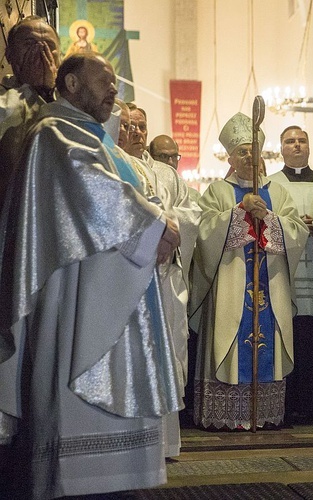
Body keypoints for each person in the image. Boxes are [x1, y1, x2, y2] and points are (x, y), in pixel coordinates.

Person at [0, 52, 182, 499]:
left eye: (116, 82)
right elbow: (96, 192)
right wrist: (157, 223)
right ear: (72, 84)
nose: (114, 90)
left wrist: (156, 225)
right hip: (76, 300)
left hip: (111, 294)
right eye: (105, 81)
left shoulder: (92, 138)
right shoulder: (53, 134)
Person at [190, 112, 308, 430]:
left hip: (270, 283)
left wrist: (269, 217)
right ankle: (228, 415)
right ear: (230, 157)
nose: (248, 157)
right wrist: (239, 212)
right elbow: (204, 232)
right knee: (230, 334)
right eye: (241, 151)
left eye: (253, 151)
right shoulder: (217, 191)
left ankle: (264, 414)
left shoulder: (278, 192)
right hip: (230, 284)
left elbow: (297, 230)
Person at [122, 102, 201, 457]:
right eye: (128, 126)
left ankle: (167, 443)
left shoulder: (167, 175)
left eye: (141, 126)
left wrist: (169, 228)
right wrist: (157, 228)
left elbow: (193, 211)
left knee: (169, 353)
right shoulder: (113, 163)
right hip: (133, 276)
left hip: (167, 278)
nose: (136, 132)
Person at [268, 126, 313, 424]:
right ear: (281, 148)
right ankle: (288, 403)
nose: (296, 145)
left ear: (308, 147)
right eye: (289, 141)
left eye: (301, 140)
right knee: (287, 333)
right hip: (284, 272)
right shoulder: (269, 184)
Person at [0, 16, 60, 204]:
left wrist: (50, 92)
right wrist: (32, 89)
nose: (40, 52)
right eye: (30, 43)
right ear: (9, 54)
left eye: (48, 46)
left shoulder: (74, 102)